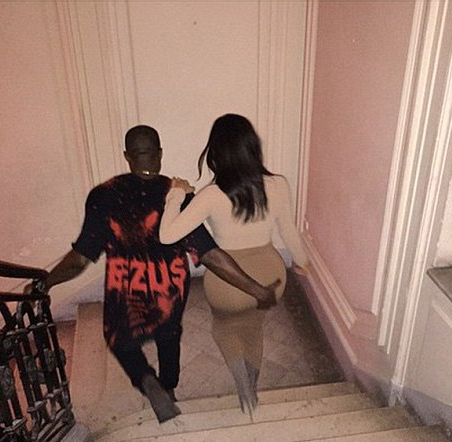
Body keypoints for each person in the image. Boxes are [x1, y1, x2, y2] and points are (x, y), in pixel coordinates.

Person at [33, 125, 280, 423]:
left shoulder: (103, 196)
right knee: (169, 335)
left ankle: (147, 381)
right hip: (168, 292)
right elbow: (211, 255)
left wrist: (45, 283)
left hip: (125, 290)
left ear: (128, 156)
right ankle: (169, 388)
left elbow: (79, 260)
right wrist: (257, 290)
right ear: (159, 154)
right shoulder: (176, 195)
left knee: (119, 339)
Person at [159, 114, 309, 413]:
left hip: (227, 284)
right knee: (254, 326)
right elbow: (289, 231)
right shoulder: (278, 184)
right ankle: (252, 387)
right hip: (271, 275)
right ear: (252, 147)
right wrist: (303, 262)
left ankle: (241, 381)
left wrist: (175, 195)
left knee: (225, 328)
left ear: (216, 152)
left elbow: (167, 236)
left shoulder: (211, 195)